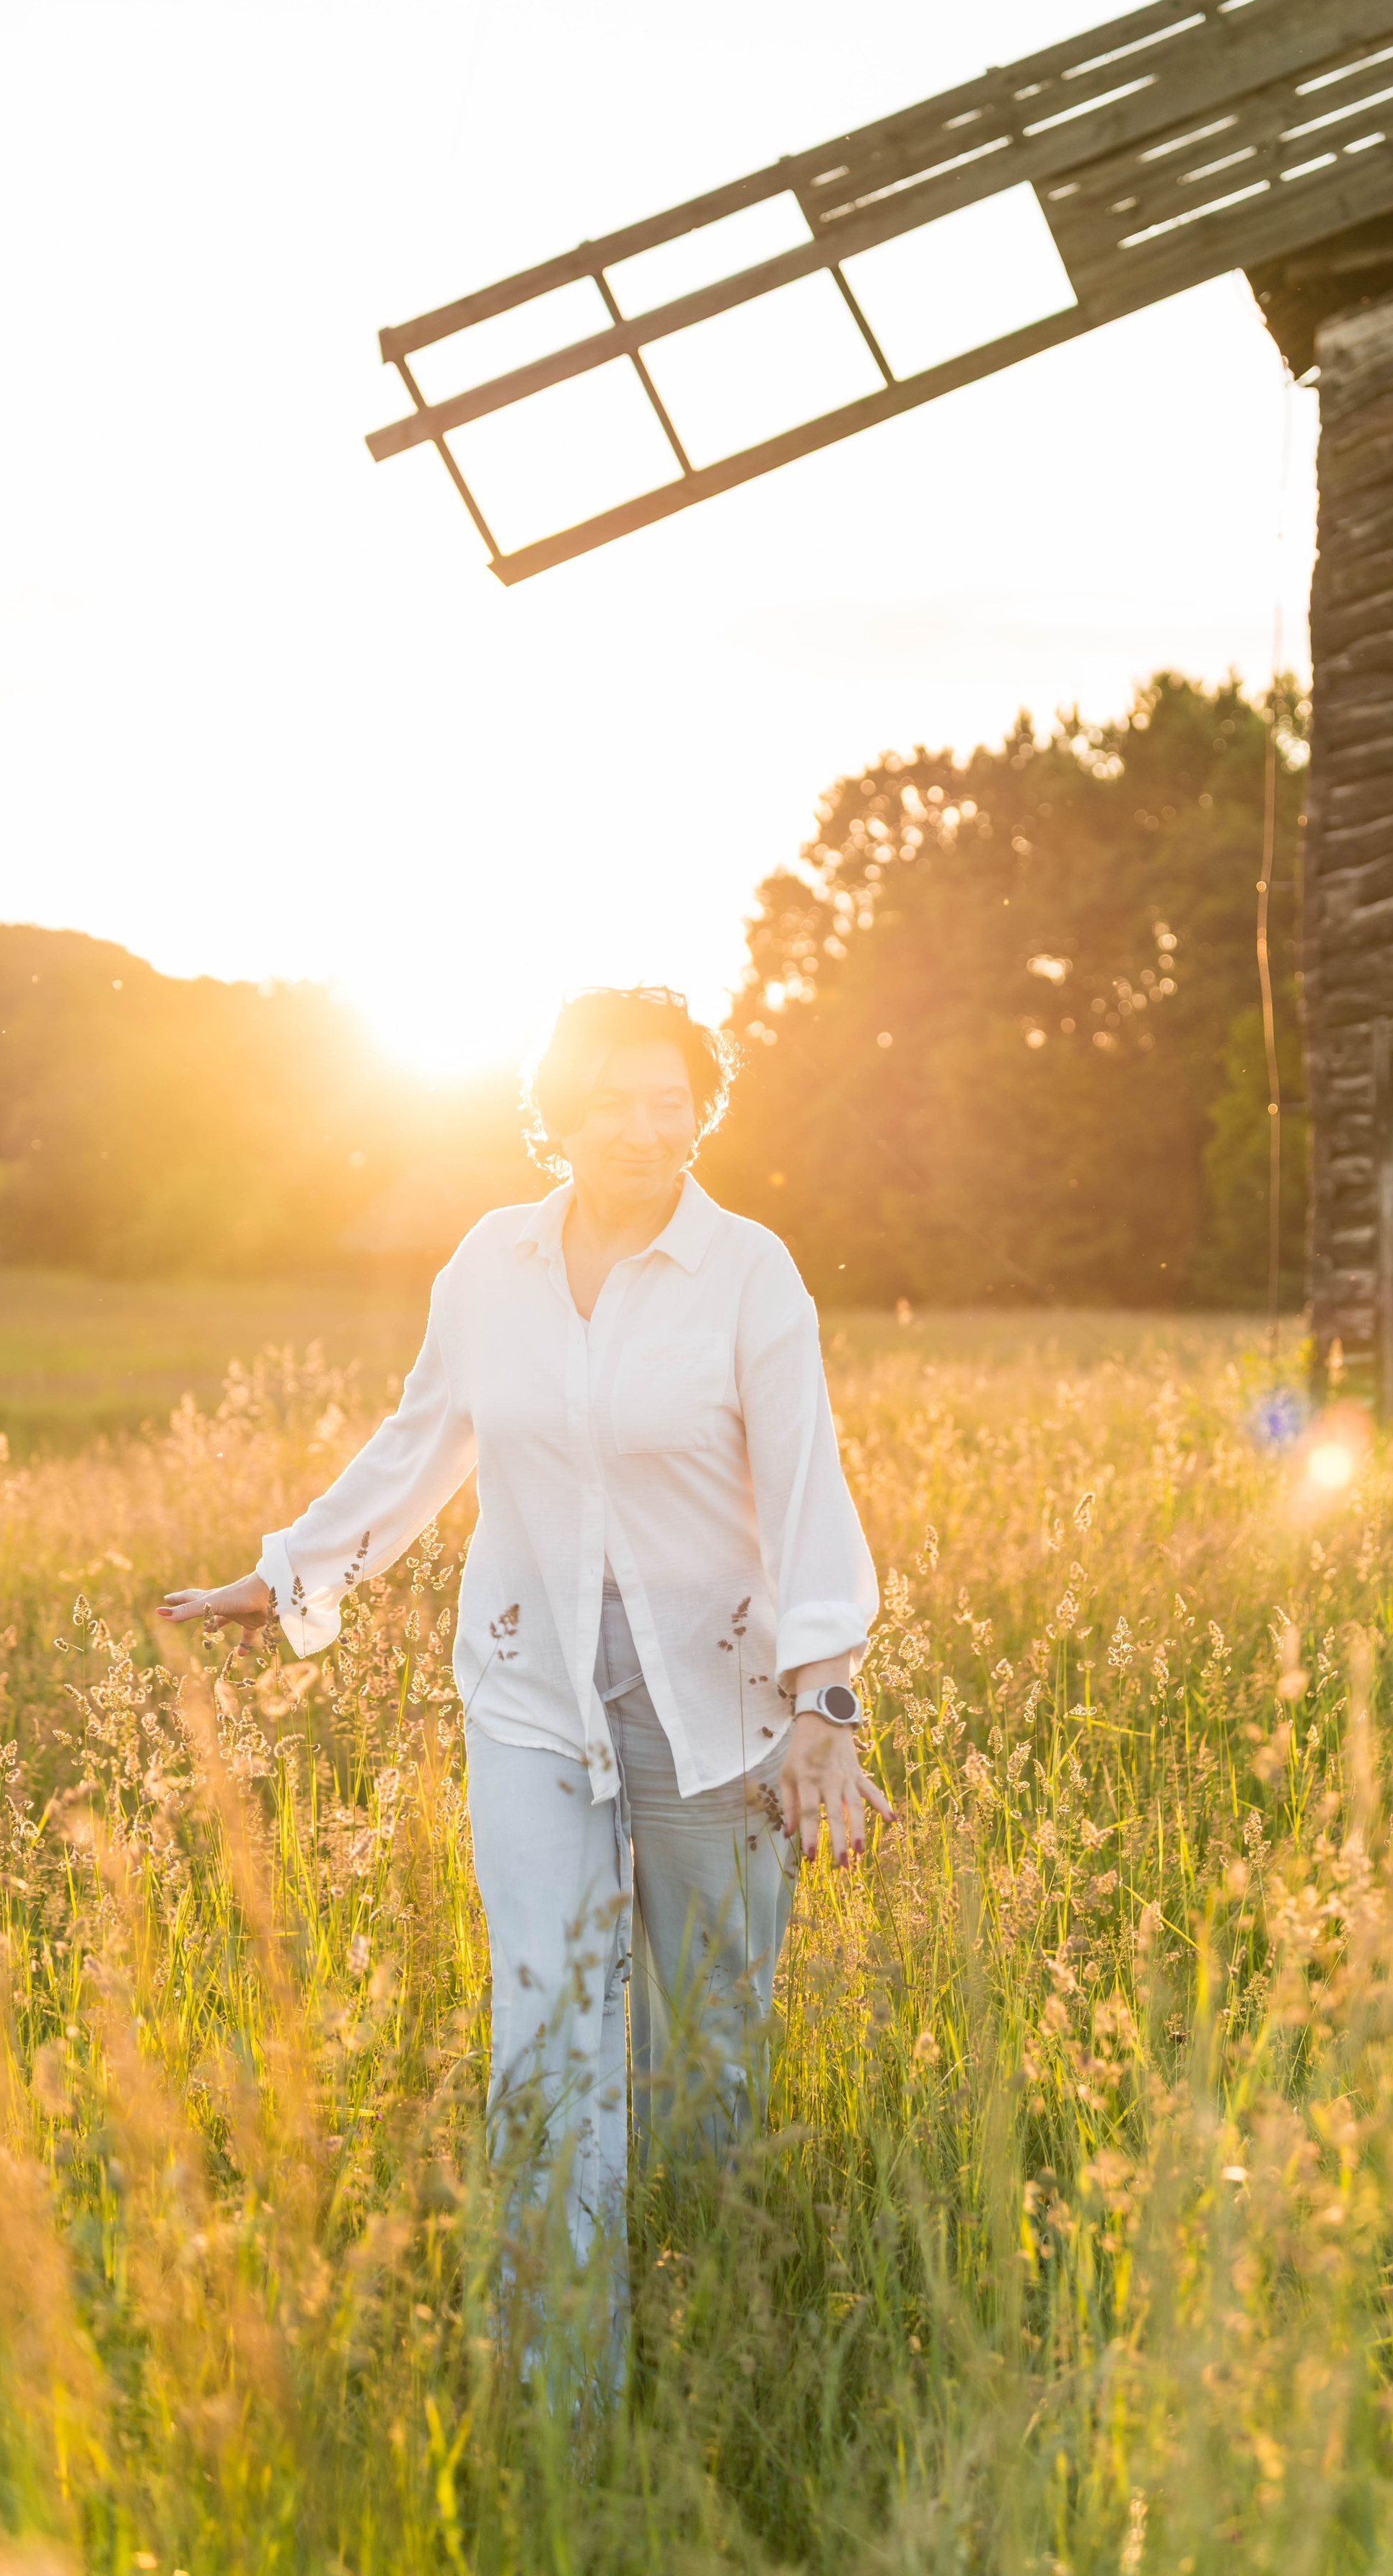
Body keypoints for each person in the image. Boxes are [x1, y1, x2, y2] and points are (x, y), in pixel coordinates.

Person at [159, 984, 894, 2319]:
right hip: (532, 1689)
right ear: (559, 1111)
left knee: (710, 2050)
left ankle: (707, 2329)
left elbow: (802, 1485)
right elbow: (426, 1436)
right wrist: (294, 1574)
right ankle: (567, 2390)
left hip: (715, 1699)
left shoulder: (749, 1272)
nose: (642, 1129)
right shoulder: (490, 1261)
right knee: (549, 2019)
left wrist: (824, 1701)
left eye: (670, 1103)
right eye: (613, 1101)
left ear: (701, 1112)